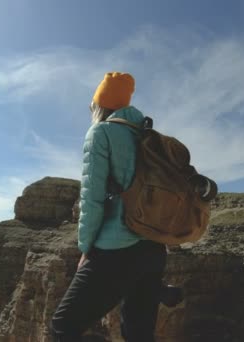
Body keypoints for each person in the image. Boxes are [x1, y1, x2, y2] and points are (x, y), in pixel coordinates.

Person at [51, 72, 167, 342]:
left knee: (62, 327)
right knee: (138, 334)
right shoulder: (147, 135)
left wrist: (85, 249)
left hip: (117, 249)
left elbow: (92, 199)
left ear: (99, 106)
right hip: (153, 249)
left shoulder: (101, 132)